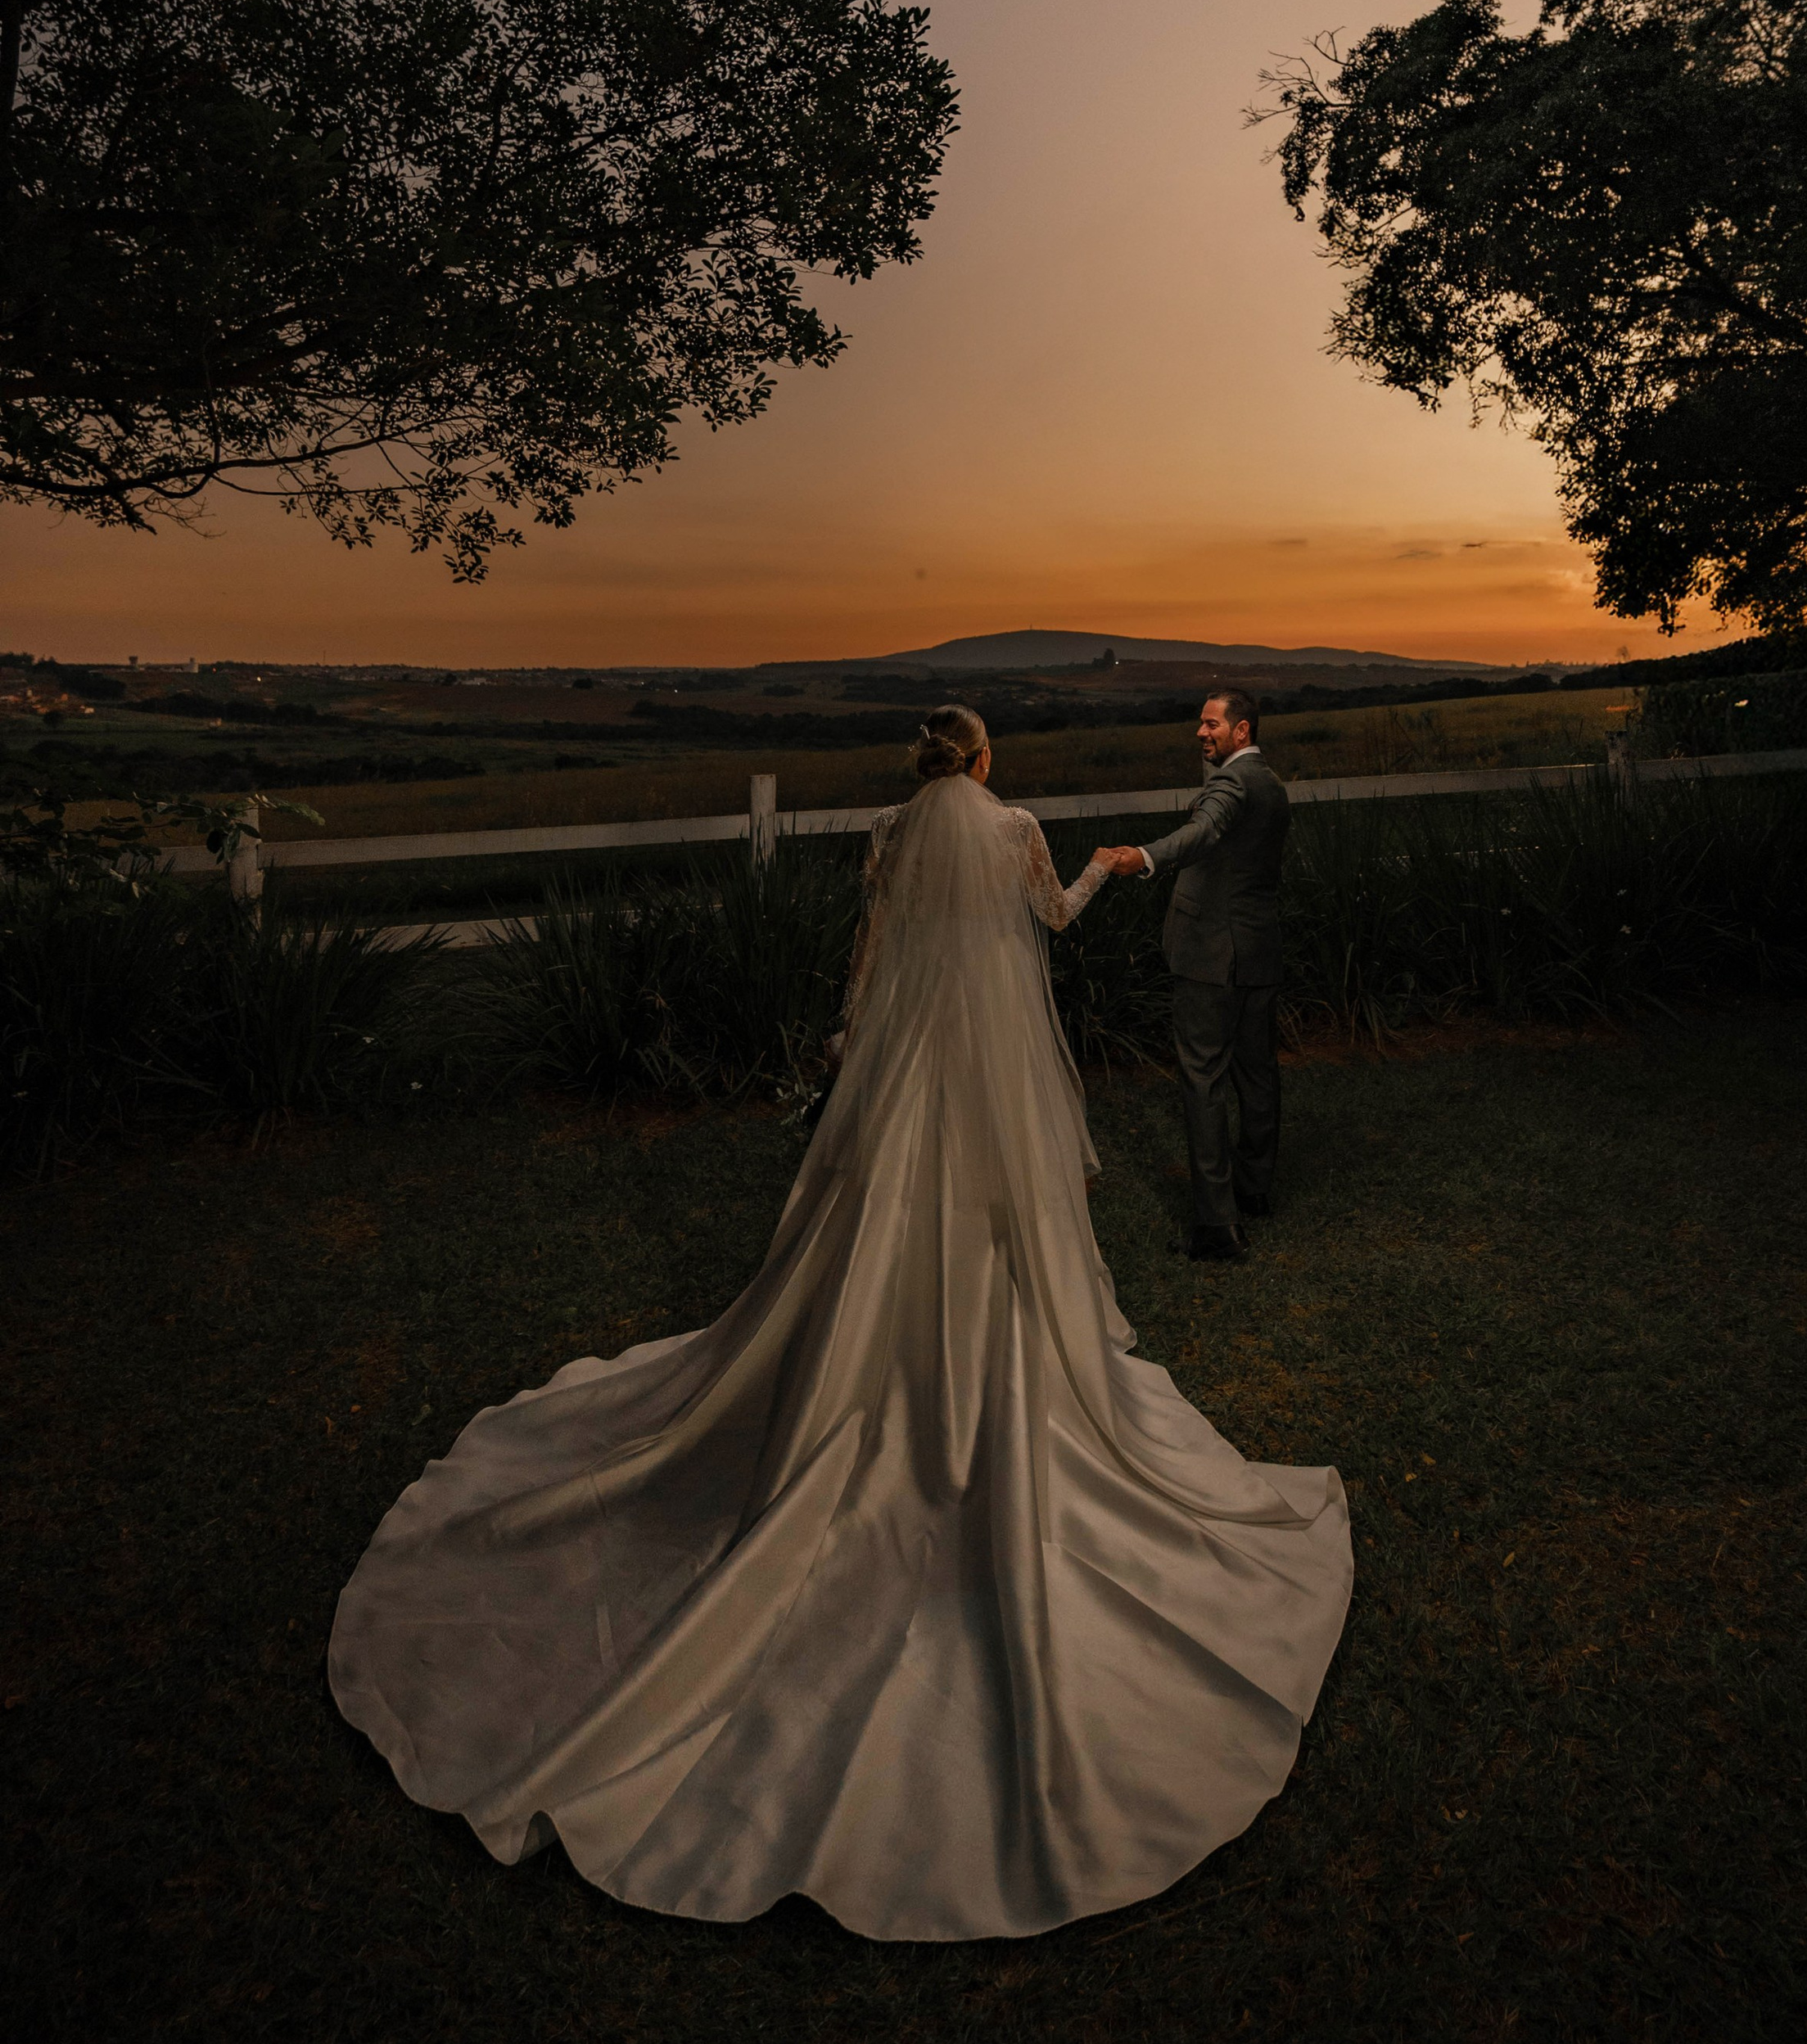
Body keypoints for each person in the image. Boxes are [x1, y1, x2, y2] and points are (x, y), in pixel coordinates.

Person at [328, 705, 1351, 1944]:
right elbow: (1053, 922)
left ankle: (864, 1366)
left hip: (905, 1071)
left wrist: (847, 1048)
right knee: (989, 1228)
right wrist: (1093, 870)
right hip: (986, 1077)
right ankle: (970, 1380)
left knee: (868, 1232)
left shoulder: (888, 833)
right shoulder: (1016, 830)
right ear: (983, 761)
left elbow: (869, 960)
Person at [1098, 689, 1288, 1261]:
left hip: (1211, 955)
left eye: (1211, 725)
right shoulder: (1271, 783)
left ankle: (1216, 1225)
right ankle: (1254, 1190)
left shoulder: (1231, 785)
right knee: (1257, 1074)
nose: (1200, 733)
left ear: (1241, 730)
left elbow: (1203, 830)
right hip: (1258, 951)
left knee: (1203, 1078)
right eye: (1200, 725)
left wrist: (1144, 856)